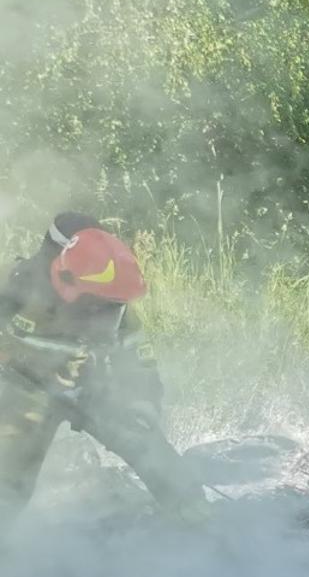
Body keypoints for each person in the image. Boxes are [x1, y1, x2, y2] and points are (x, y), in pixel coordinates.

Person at [0, 212, 207, 528]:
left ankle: (199, 520)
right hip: (23, 392)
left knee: (144, 440)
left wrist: (143, 404)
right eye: (95, 307)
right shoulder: (14, 287)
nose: (105, 317)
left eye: (112, 309)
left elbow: (140, 361)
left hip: (87, 390)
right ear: (65, 279)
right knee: (10, 484)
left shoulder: (108, 295)